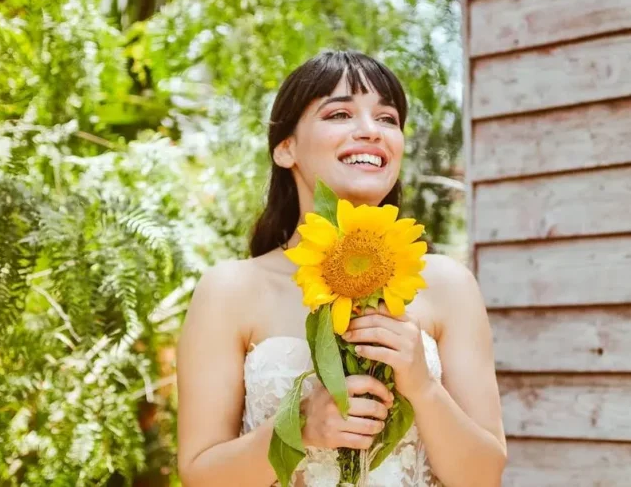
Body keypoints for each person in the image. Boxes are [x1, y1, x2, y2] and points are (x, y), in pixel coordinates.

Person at [176, 50, 507, 486]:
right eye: (340, 113)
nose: (371, 131)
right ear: (285, 148)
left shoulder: (448, 285)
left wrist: (422, 387)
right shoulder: (229, 291)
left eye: (388, 119)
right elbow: (199, 476)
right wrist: (298, 429)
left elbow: (483, 478)